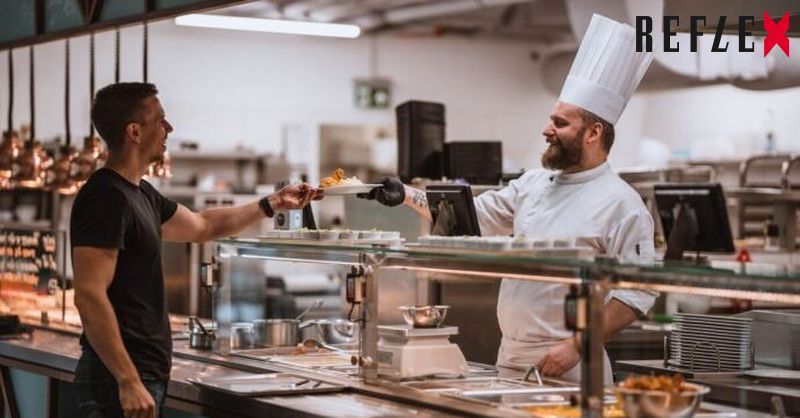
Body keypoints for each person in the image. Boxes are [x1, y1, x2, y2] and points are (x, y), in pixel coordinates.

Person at [361, 14, 656, 383]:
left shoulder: (622, 203)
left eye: (560, 123)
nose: (547, 130)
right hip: (510, 355)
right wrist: (405, 194)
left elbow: (639, 293)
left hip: (570, 365)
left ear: (594, 133)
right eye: (551, 119)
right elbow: (466, 217)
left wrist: (576, 346)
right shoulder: (534, 184)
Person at [70, 82, 320, 418]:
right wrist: (127, 380)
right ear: (134, 132)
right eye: (160, 120)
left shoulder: (141, 193)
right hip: (116, 381)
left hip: (141, 373)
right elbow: (89, 296)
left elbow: (203, 226)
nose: (169, 128)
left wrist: (273, 202)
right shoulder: (105, 196)